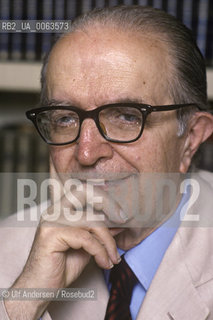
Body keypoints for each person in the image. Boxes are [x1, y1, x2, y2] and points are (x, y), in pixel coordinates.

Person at [1, 5, 213, 320]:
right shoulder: (7, 249)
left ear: (191, 138)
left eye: (127, 116)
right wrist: (23, 304)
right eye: (65, 118)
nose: (86, 153)